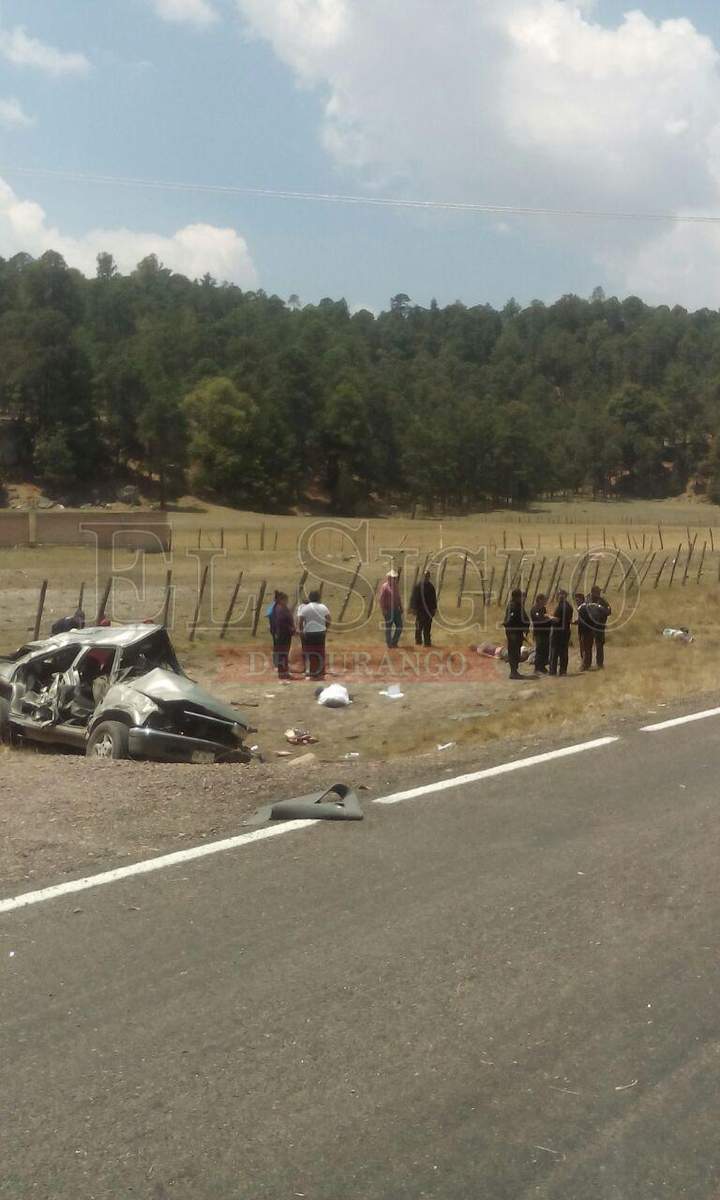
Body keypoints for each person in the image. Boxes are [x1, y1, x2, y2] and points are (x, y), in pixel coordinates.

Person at [296, 589, 331, 679]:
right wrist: (325, 628)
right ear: (318, 598)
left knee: (312, 653)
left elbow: (300, 621)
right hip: (320, 633)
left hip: (309, 633)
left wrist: (301, 631)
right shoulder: (323, 607)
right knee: (320, 652)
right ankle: (321, 673)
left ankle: (313, 673)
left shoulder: (305, 608)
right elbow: (328, 619)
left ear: (309, 598)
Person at [503, 587, 529, 679]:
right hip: (513, 633)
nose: (521, 598)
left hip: (517, 632)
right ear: (516, 597)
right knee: (513, 652)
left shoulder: (518, 605)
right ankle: (513, 672)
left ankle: (515, 671)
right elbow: (511, 620)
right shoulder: (513, 606)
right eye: (520, 596)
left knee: (516, 651)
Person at [583, 584, 612, 669]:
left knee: (599, 645)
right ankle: (586, 664)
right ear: (593, 592)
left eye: (599, 592)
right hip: (588, 626)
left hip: (599, 627)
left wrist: (603, 611)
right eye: (598, 592)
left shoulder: (602, 600)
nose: (599, 593)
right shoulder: (587, 600)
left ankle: (599, 664)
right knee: (587, 646)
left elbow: (609, 611)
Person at [269, 592, 295, 679]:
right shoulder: (280, 609)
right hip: (283, 634)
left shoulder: (278, 608)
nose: (287, 601)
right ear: (281, 600)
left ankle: (283, 671)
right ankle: (283, 673)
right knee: (283, 653)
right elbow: (281, 622)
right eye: (286, 600)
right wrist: (291, 629)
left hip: (281, 633)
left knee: (282, 653)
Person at [410, 569, 438, 647]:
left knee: (427, 627)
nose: (426, 578)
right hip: (420, 611)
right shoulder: (418, 586)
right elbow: (414, 598)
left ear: (429, 577)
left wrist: (434, 609)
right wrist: (413, 608)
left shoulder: (431, 587)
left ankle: (427, 642)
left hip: (428, 611)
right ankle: (418, 641)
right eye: (425, 576)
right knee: (419, 627)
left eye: (427, 576)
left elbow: (433, 599)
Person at [549, 589, 573, 677]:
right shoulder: (569, 606)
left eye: (558, 595)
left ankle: (552, 671)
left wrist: (549, 617)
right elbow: (569, 620)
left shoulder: (560, 606)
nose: (557, 596)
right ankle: (563, 670)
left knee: (554, 651)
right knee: (564, 652)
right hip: (566, 631)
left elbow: (557, 619)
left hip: (557, 632)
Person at [379, 569, 403, 648]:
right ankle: (389, 644)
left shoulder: (396, 586)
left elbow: (398, 597)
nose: (393, 579)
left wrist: (401, 607)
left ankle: (394, 642)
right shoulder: (384, 587)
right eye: (392, 577)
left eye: (394, 577)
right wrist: (383, 610)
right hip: (388, 610)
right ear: (389, 577)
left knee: (399, 626)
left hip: (396, 609)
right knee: (388, 627)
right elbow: (381, 599)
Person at [530, 593, 552, 674]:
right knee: (539, 650)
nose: (545, 601)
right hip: (539, 632)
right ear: (539, 600)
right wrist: (549, 620)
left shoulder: (543, 609)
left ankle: (542, 666)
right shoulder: (534, 610)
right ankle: (537, 667)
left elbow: (545, 617)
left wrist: (549, 619)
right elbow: (539, 620)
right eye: (544, 600)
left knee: (545, 650)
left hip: (546, 632)